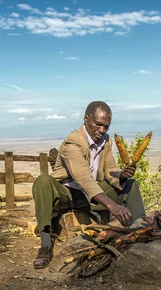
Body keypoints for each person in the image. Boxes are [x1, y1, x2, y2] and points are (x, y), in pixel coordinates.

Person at [31, 101, 146, 269]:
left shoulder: (105, 141)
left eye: (106, 126)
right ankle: (46, 245)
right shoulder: (72, 143)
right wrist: (112, 206)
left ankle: (141, 230)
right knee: (42, 181)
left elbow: (110, 169)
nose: (102, 130)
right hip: (68, 194)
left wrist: (121, 175)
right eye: (98, 124)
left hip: (91, 196)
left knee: (130, 184)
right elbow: (83, 179)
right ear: (86, 119)